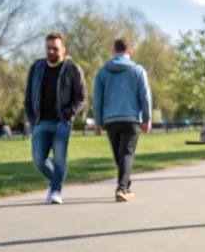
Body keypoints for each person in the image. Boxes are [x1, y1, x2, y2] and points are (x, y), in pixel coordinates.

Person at [24, 32, 87, 205]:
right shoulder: (36, 67)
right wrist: (30, 117)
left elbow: (81, 97)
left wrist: (67, 113)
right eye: (48, 48)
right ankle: (56, 181)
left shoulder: (72, 69)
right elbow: (28, 95)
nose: (51, 51)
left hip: (61, 123)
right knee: (38, 160)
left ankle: (55, 191)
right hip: (40, 122)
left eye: (55, 48)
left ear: (63, 49)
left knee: (59, 159)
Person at [93, 37, 153, 202]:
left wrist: (98, 122)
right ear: (130, 52)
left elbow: (97, 100)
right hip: (130, 119)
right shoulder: (138, 70)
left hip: (110, 120)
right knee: (126, 154)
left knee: (120, 155)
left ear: (113, 51)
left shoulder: (103, 72)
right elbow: (145, 97)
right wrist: (147, 119)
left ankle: (125, 186)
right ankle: (121, 188)